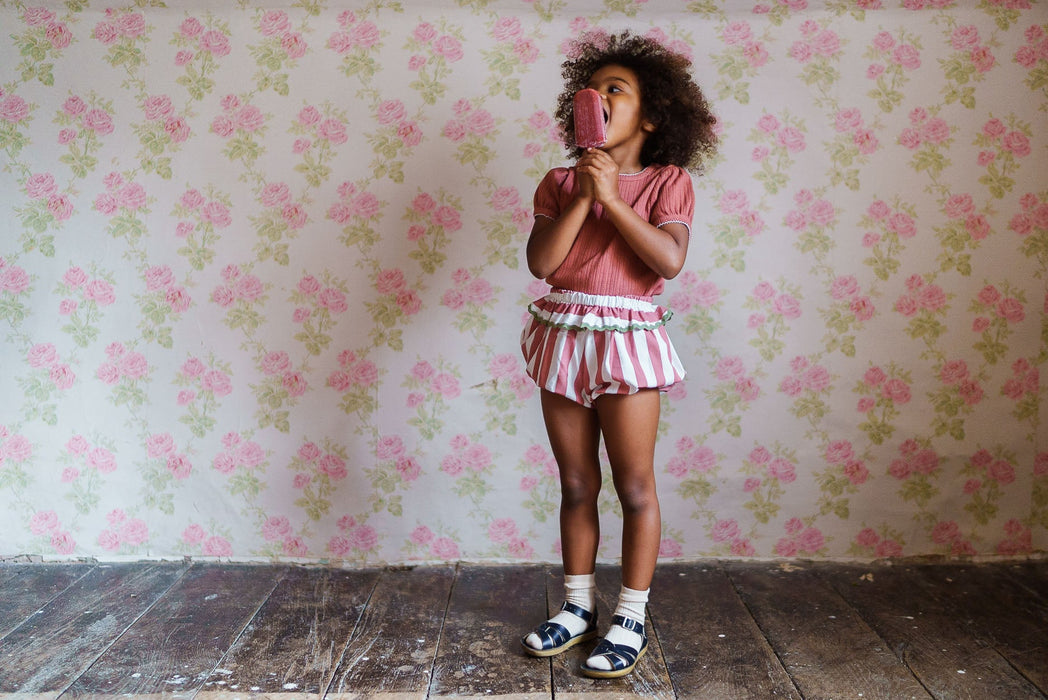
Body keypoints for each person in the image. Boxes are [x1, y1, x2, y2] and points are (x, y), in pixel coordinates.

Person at [518, 31, 717, 679]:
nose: (597, 97)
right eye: (592, 87)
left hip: (629, 341)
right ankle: (577, 607)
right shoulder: (557, 181)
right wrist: (583, 194)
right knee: (577, 483)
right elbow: (544, 264)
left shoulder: (668, 181)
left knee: (634, 486)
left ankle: (629, 614)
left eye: (615, 89)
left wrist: (611, 198)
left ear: (651, 115)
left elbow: (668, 260)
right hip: (564, 335)